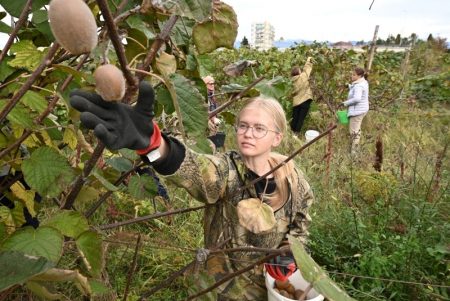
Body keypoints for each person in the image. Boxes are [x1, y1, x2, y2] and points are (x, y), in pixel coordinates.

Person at [70, 81, 314, 300]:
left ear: (277, 138)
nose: (248, 134)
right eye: (243, 126)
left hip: (273, 291)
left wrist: (289, 252)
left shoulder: (292, 178)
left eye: (259, 128)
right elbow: (196, 169)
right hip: (221, 291)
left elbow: (300, 224)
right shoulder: (227, 172)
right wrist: (153, 144)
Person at [342, 67, 369, 153]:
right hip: (363, 109)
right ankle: (354, 149)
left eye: (354, 75)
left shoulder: (358, 86)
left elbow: (357, 98)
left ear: (359, 76)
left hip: (357, 111)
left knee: (354, 132)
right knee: (357, 129)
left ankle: (353, 153)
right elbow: (356, 89)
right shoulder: (363, 82)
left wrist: (345, 103)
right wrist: (349, 86)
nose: (352, 76)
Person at [290, 57, 314, 134]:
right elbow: (307, 68)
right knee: (300, 119)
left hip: (296, 102)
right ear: (299, 72)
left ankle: (291, 134)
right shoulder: (302, 77)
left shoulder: (291, 81)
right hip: (305, 100)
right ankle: (296, 135)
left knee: (295, 119)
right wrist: (309, 60)